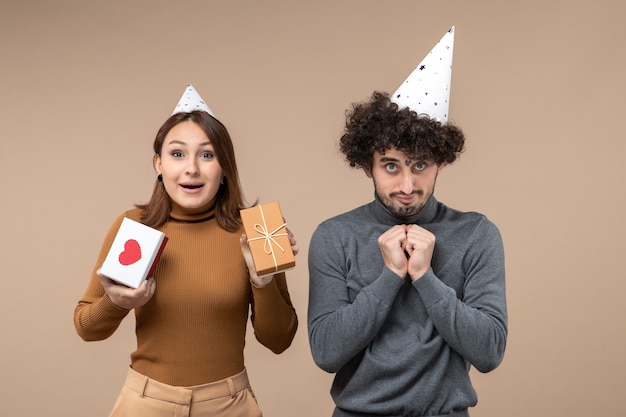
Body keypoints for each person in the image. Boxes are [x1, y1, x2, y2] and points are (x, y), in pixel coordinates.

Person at [307, 28, 507, 417]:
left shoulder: (477, 234)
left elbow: (490, 352)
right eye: (391, 166)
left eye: (420, 165)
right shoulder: (335, 236)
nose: (407, 185)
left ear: (440, 163)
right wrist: (390, 277)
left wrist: (425, 278)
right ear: (368, 166)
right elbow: (326, 353)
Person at [74, 85, 298, 417]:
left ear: (224, 167)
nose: (191, 168)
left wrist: (262, 281)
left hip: (229, 404)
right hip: (146, 403)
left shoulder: (257, 229)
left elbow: (279, 341)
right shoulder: (134, 227)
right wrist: (116, 303)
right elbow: (86, 328)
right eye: (177, 154)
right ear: (158, 164)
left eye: (207, 154)